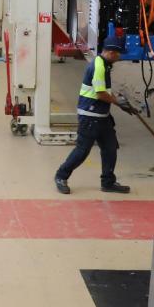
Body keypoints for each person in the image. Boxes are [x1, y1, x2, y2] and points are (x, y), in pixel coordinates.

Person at [54, 33, 134, 195]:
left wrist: (118, 99)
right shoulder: (98, 66)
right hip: (90, 117)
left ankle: (108, 182)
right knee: (82, 150)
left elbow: (104, 90)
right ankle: (61, 176)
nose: (119, 57)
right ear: (111, 52)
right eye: (118, 54)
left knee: (110, 148)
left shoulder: (105, 64)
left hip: (102, 117)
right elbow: (100, 93)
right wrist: (117, 102)